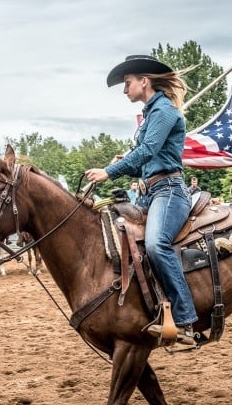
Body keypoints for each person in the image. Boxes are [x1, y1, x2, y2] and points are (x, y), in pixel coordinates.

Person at [84, 54, 196, 345]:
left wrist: (109, 171)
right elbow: (142, 160)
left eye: (128, 83)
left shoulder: (164, 112)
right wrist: (125, 164)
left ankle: (185, 319)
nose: (124, 90)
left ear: (144, 81)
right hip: (150, 192)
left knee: (157, 245)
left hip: (168, 191)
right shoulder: (152, 114)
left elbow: (147, 151)